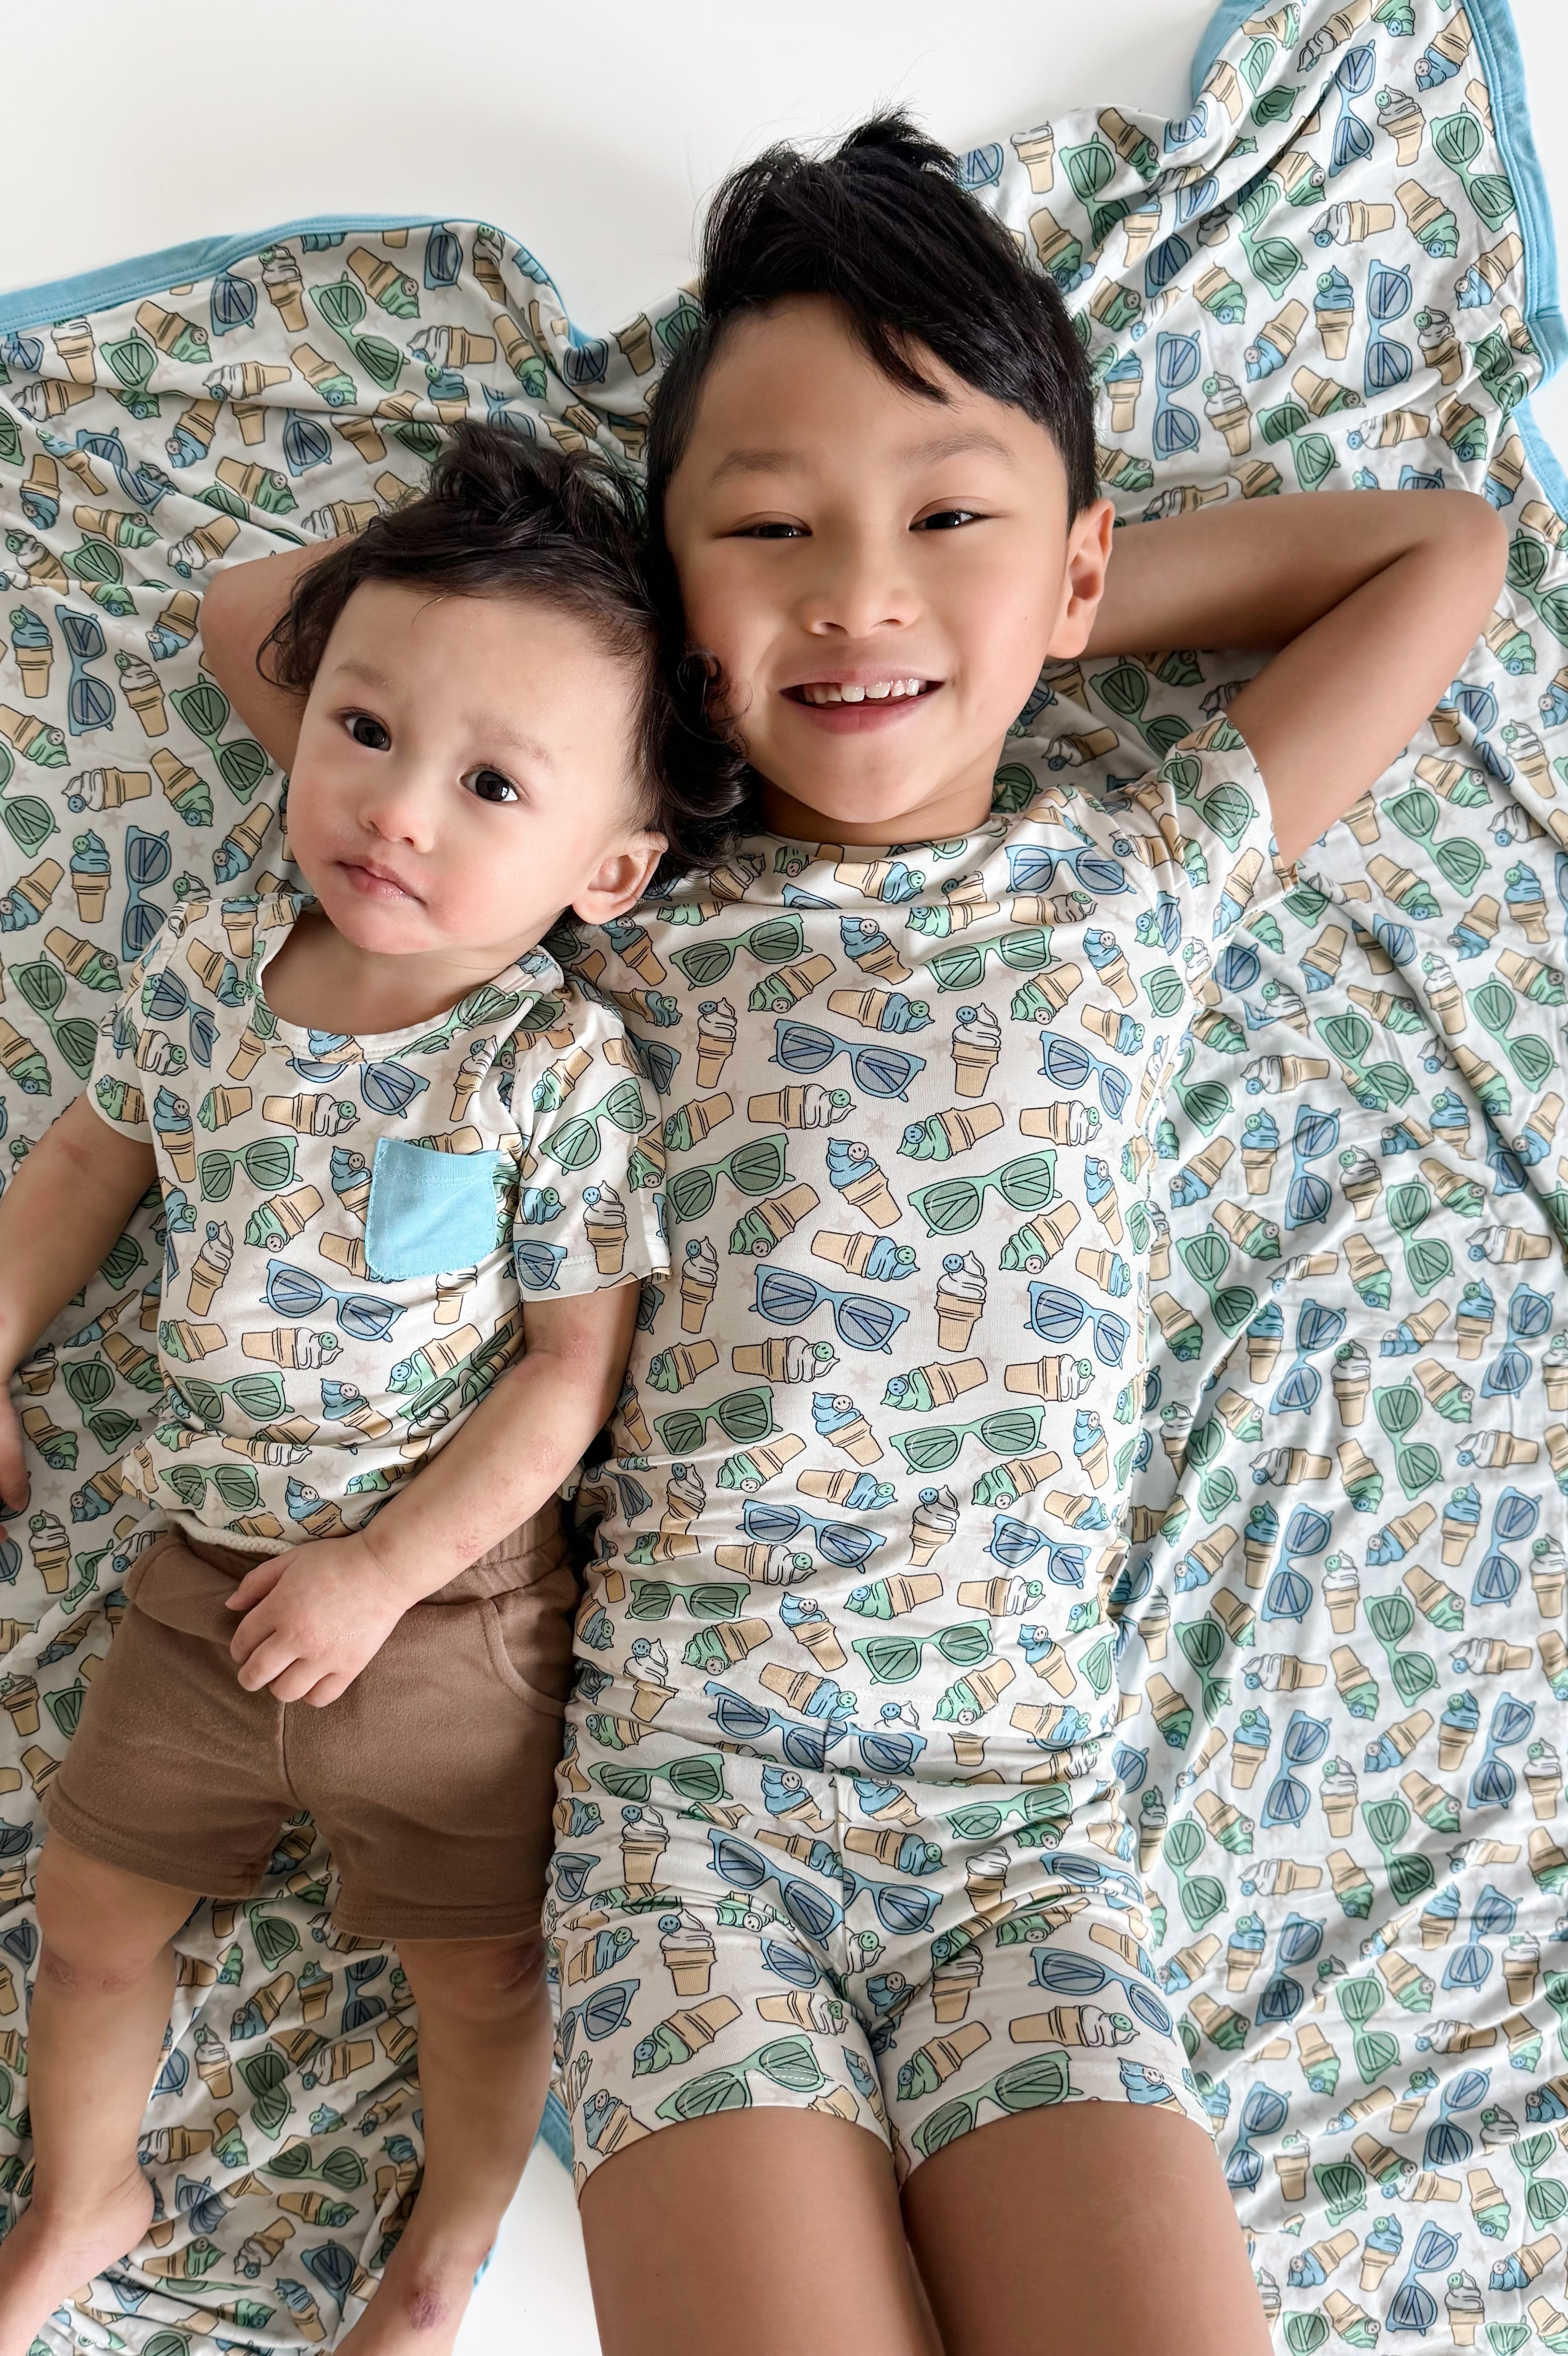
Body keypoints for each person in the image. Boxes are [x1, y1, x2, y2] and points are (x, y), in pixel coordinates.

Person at [199, 119, 1507, 2356]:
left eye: (944, 519)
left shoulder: (1134, 875)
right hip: (686, 1824)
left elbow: (1437, 551)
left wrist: (1042, 608)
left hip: (1023, 1832)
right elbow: (264, 628)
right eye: (770, 528)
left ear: (1072, 567)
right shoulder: (608, 896)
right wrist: (637, 659)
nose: (857, 596)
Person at [0, 424, 743, 2356]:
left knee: (479, 1972)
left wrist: (382, 1569)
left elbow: (570, 1379)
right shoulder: (219, 961)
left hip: (443, 1613)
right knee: (88, 1917)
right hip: (199, 1591)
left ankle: (445, 2248)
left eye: (490, 784)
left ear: (609, 868)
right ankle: (80, 2192)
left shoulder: (542, 1064)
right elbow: (89, 1159)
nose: (396, 810)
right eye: (361, 729)